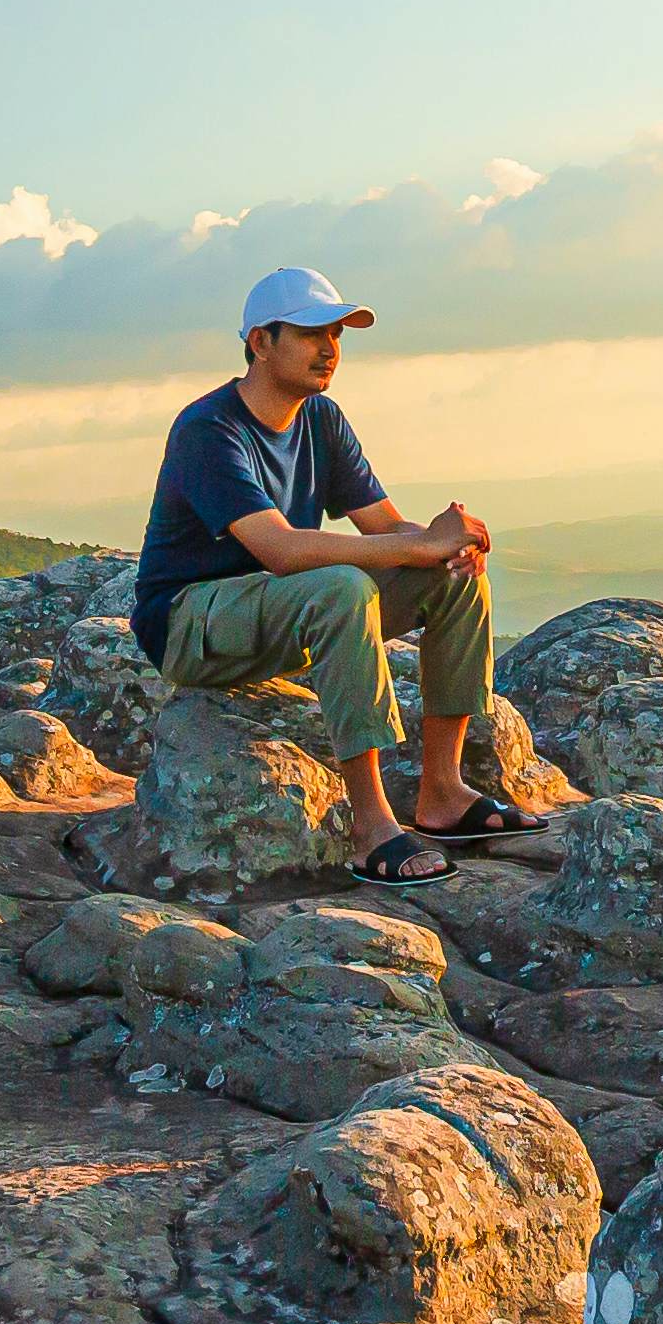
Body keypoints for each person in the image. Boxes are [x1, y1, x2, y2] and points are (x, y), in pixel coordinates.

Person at [133, 267, 501, 883]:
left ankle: (442, 793)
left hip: (278, 609)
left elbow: (383, 526)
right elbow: (277, 548)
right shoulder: (208, 429)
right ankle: (371, 826)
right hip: (191, 623)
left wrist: (447, 546)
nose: (329, 348)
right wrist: (420, 547)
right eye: (309, 333)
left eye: (335, 332)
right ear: (260, 342)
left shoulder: (321, 420)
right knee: (343, 584)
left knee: (458, 579)